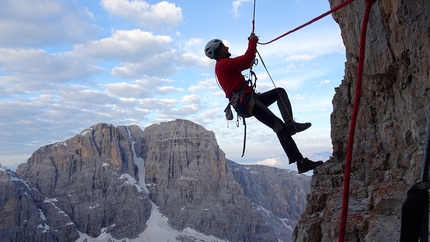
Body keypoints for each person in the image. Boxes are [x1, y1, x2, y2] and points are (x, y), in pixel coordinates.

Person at [204, 33, 323, 174]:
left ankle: (291, 125)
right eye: (224, 46)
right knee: (279, 127)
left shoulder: (226, 66)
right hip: (249, 103)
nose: (227, 47)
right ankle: (300, 162)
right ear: (218, 51)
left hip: (251, 100)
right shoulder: (223, 65)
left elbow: (246, 62)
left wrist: (251, 46)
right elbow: (247, 59)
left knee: (280, 92)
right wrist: (252, 41)